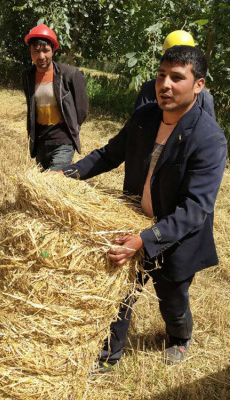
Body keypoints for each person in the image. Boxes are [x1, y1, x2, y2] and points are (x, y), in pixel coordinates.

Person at [59, 46, 227, 369]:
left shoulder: (209, 139)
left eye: (177, 78)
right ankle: (108, 358)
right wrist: (67, 173)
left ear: (198, 85)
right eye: (161, 75)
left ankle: (179, 337)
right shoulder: (144, 118)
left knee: (172, 301)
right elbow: (108, 154)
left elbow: (195, 209)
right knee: (119, 298)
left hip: (174, 238)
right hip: (133, 221)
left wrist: (145, 239)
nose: (165, 84)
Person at [22, 24, 88, 171]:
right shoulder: (28, 76)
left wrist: (73, 127)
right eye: (36, 51)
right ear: (30, 52)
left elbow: (82, 109)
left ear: (53, 50)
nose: (41, 56)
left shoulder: (69, 74)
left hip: (63, 140)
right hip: (41, 141)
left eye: (46, 50)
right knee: (41, 187)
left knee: (52, 181)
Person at [135, 30, 215, 118]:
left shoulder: (204, 98)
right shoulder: (149, 89)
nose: (166, 84)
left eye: (177, 77)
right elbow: (137, 123)